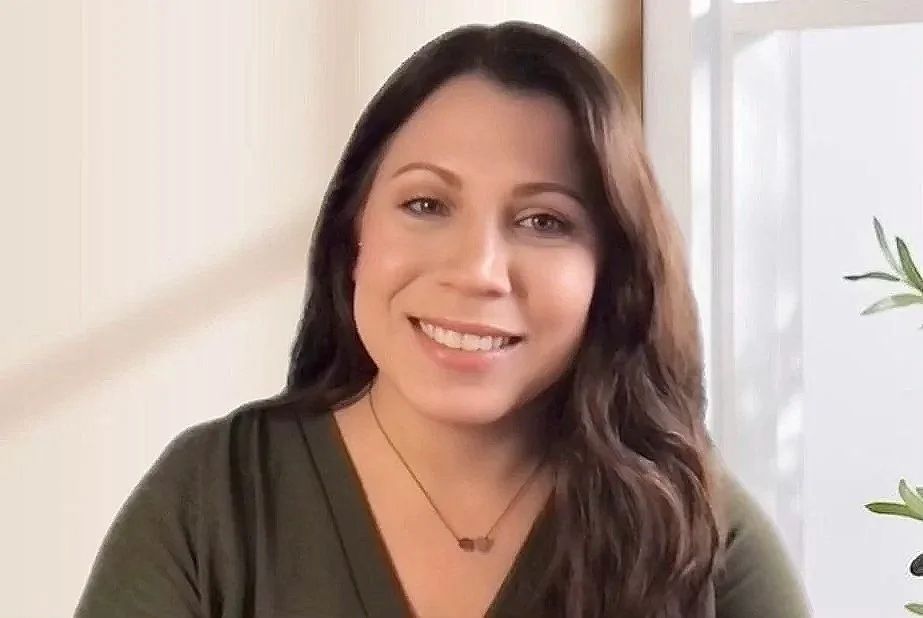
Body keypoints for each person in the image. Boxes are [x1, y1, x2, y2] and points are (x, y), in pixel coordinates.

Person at [74, 21, 810, 618]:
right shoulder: (215, 502)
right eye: (425, 205)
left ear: (610, 272)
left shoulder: (694, 533)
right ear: (352, 237)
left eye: (543, 220)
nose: (477, 270)